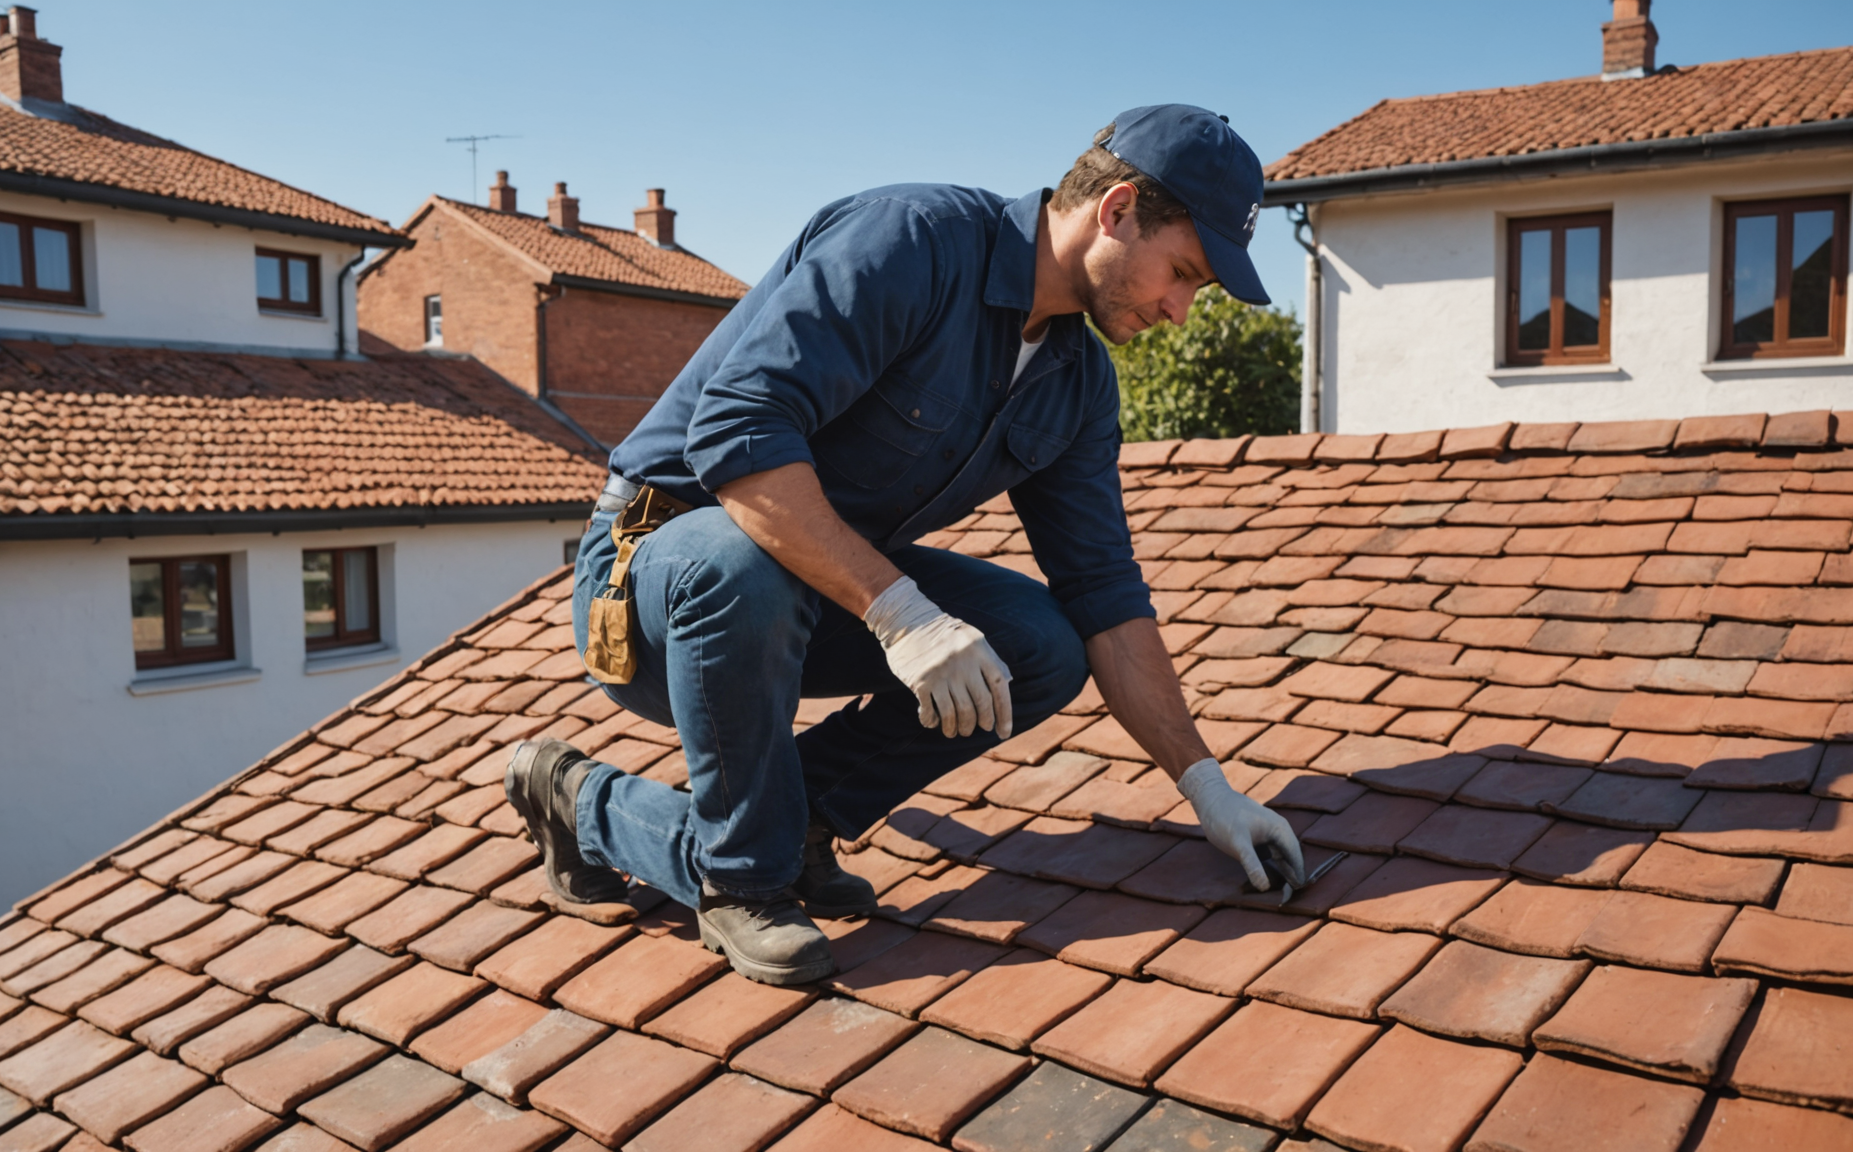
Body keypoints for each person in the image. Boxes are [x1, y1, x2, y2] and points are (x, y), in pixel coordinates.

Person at [504, 104, 1304, 985]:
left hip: (809, 600)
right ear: (1116, 211)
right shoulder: (913, 242)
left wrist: (1207, 788)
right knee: (739, 565)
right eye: (1183, 272)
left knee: (1041, 643)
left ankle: (789, 825)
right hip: (656, 582)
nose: (1181, 311)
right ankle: (703, 861)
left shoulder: (1077, 385)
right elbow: (737, 439)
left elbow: (1105, 590)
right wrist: (902, 613)